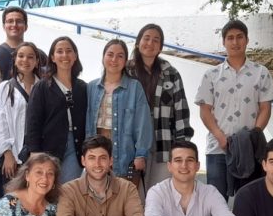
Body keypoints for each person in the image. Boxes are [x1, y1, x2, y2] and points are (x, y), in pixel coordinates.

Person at [195, 19, 273, 197]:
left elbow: (265, 108)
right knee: (216, 200)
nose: (235, 42)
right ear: (223, 42)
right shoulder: (211, 75)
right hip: (217, 148)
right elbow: (205, 111)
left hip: (249, 150)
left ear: (247, 40)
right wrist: (221, 137)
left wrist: (254, 135)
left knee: (247, 200)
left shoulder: (261, 73)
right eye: (230, 38)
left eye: (240, 37)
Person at [127, 24, 194, 190]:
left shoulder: (171, 73)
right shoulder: (126, 71)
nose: (150, 43)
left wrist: (182, 146)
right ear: (138, 42)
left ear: (161, 47)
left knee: (160, 192)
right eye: (146, 38)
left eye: (156, 40)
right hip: (131, 142)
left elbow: (181, 112)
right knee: (133, 194)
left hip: (163, 142)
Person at [86, 39, 153, 187]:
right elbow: (88, 123)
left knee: (122, 197)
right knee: (96, 196)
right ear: (103, 57)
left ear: (125, 60)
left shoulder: (134, 87)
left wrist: (141, 154)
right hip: (97, 153)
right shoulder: (91, 87)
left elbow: (143, 123)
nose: (114, 59)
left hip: (124, 155)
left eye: (120, 56)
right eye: (110, 54)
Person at [23, 36, 87, 184]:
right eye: (59, 51)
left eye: (69, 51)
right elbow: (33, 121)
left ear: (75, 56)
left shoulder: (82, 87)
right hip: (48, 147)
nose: (65, 55)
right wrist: (34, 151)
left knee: (68, 189)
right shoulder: (42, 86)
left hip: (75, 147)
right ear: (52, 57)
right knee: (47, 188)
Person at [0, 42, 41, 206]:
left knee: (32, 204)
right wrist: (7, 154)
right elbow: (0, 122)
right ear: (15, 59)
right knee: (10, 204)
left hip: (36, 156)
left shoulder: (44, 87)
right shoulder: (5, 87)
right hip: (13, 156)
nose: (25, 60)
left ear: (37, 62)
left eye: (30, 57)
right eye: (21, 56)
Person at [0, 6, 48, 79]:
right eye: (10, 21)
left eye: (19, 21)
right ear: (4, 26)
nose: (14, 25)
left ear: (26, 26)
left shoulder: (39, 54)